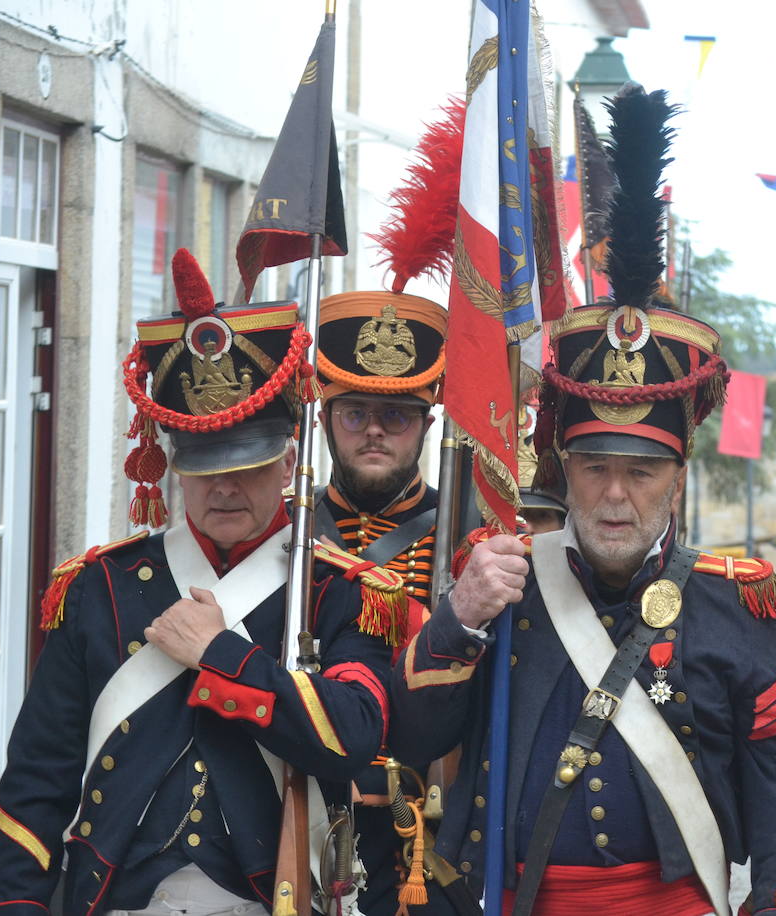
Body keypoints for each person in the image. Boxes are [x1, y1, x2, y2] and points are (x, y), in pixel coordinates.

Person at [388, 84, 776, 916]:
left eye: (642, 472)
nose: (616, 495)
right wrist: (461, 617)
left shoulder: (737, 604)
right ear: (562, 465)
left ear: (678, 478)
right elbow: (411, 741)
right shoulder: (504, 590)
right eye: (594, 468)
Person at [0, 250, 408, 916]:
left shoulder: (340, 590)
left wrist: (221, 657)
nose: (225, 487)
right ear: (172, 463)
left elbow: (353, 736)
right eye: (205, 467)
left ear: (292, 460)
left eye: (251, 464)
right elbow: (38, 782)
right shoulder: (98, 586)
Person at [312, 99, 462, 915]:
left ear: (426, 422)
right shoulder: (288, 535)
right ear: (327, 416)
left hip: (423, 839)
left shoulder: (463, 536)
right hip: (298, 817)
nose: (375, 430)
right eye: (355, 412)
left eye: (397, 414)